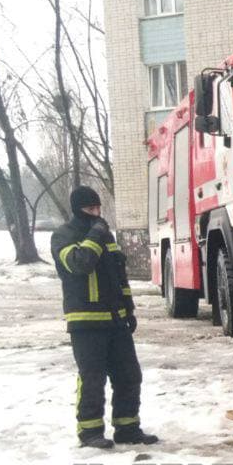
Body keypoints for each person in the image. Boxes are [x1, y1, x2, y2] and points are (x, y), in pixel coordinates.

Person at [51, 186, 158, 448]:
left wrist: (129, 308)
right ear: (78, 210)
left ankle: (127, 428)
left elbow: (119, 276)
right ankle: (90, 433)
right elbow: (80, 264)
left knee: (129, 375)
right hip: (86, 323)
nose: (97, 214)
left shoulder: (104, 236)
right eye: (90, 210)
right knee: (92, 378)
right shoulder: (63, 236)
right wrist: (95, 236)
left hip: (115, 320)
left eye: (98, 209)